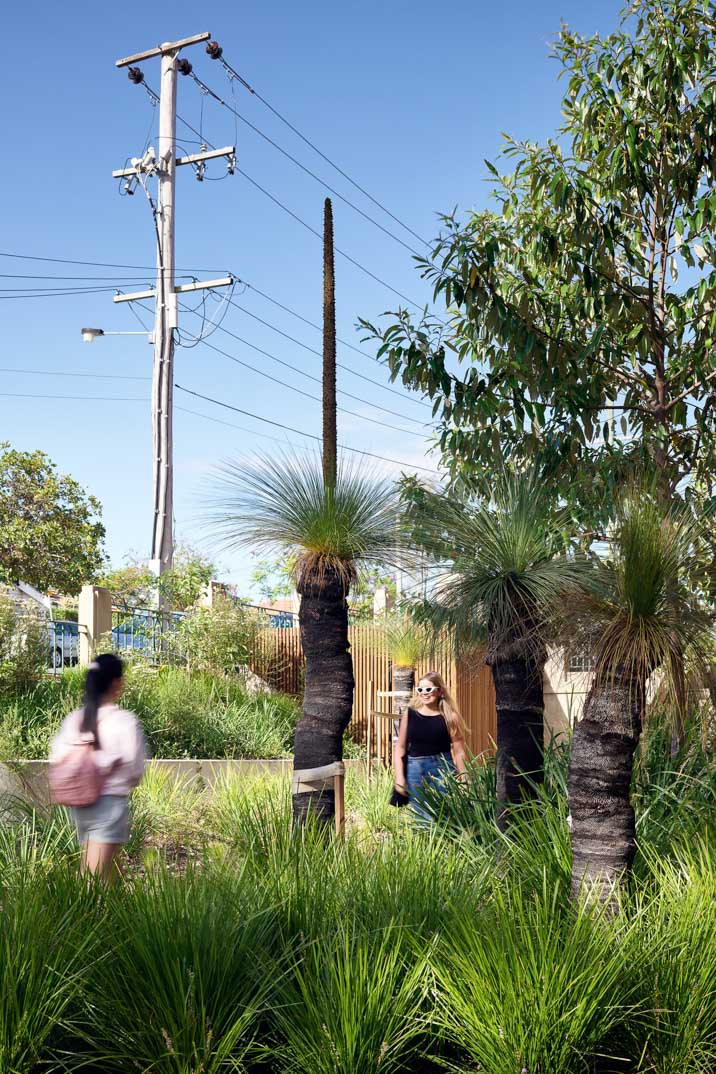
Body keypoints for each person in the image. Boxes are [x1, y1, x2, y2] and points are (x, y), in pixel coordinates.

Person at [50, 653, 145, 880]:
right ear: (116, 683)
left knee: (108, 872)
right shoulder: (124, 721)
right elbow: (135, 772)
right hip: (110, 806)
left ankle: (126, 914)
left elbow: (57, 758)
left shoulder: (74, 719)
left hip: (79, 805)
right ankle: (83, 915)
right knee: (91, 880)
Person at [393, 671, 467, 823]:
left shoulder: (450, 716)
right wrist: (400, 777)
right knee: (421, 818)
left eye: (428, 689)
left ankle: (443, 845)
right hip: (415, 770)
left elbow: (459, 751)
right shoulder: (410, 714)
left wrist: (464, 777)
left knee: (442, 816)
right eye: (420, 690)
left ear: (440, 691)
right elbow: (400, 748)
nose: (424, 693)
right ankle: (426, 846)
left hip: (442, 768)